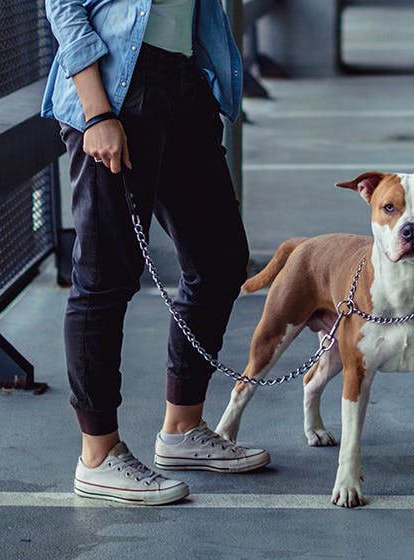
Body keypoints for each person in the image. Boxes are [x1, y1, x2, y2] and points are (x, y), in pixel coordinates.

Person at [42, 0, 268, 506]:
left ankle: (182, 428)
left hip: (182, 79)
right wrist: (97, 111)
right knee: (105, 275)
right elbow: (62, 6)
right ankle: (97, 455)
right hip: (117, 84)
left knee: (219, 258)